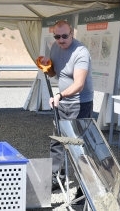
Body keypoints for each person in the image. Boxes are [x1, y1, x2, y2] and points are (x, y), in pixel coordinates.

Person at [38, 20, 94, 204]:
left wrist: (60, 95)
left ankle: (84, 188)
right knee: (57, 141)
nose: (61, 40)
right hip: (61, 101)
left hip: (79, 103)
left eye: (64, 36)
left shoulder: (81, 53)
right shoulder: (55, 47)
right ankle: (55, 177)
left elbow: (79, 84)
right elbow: (54, 73)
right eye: (57, 36)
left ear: (72, 33)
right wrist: (47, 65)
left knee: (77, 146)